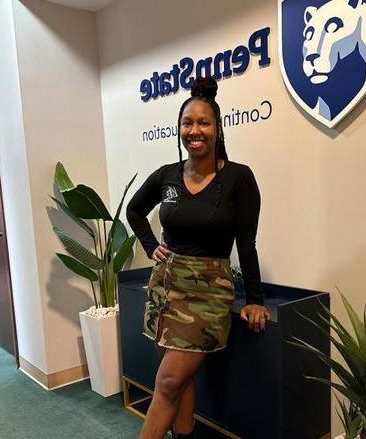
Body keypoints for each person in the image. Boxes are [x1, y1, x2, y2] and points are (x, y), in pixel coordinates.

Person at [126, 76, 270, 439]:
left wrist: (254, 300)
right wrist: (148, 245)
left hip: (208, 293)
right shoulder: (167, 176)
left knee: (168, 381)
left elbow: (246, 243)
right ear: (179, 129)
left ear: (217, 128)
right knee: (180, 381)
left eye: (203, 122)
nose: (195, 130)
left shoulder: (239, 178)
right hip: (165, 287)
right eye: (187, 123)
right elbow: (134, 211)